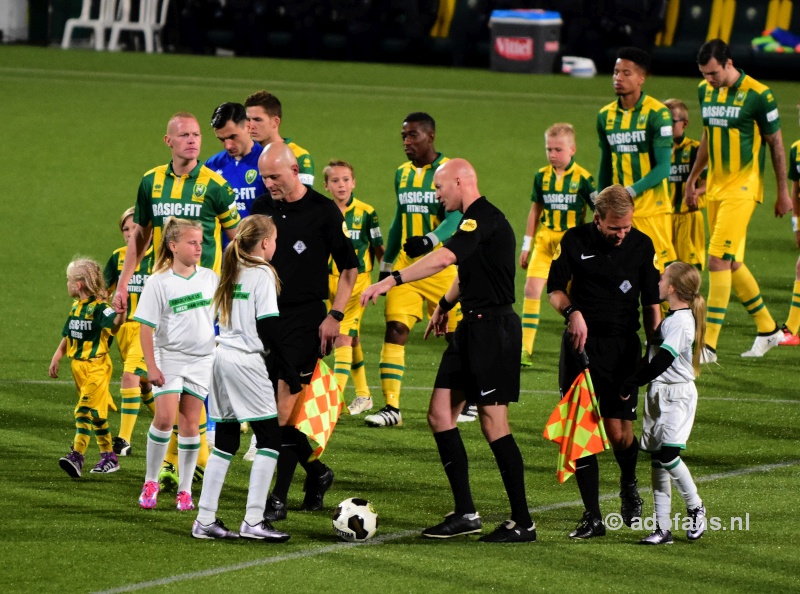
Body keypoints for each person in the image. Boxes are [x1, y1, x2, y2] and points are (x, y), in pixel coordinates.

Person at [361, 158, 537, 542]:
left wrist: (391, 280)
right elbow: (466, 271)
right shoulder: (470, 223)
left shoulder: (481, 218)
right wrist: (444, 303)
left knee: (494, 425)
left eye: (440, 188)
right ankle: (465, 513)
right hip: (470, 328)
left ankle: (523, 521)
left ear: (460, 182)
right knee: (440, 414)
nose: (437, 196)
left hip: (492, 330)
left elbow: (445, 258)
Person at [112, 112, 241, 493]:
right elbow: (140, 237)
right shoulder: (150, 181)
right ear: (168, 141)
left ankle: (183, 464)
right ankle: (175, 465)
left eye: (197, 135)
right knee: (161, 380)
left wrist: (239, 286)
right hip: (162, 293)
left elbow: (235, 239)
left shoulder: (214, 186)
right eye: (184, 135)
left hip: (203, 300)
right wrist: (123, 283)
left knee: (192, 387)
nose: (192, 140)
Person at [250, 142, 358, 521]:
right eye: (264, 177)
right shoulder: (261, 207)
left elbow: (349, 268)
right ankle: (318, 473)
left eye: (275, 177)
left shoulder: (322, 211)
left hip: (305, 319)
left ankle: (275, 498)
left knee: (282, 409)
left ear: (294, 170)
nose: (269, 184)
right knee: (262, 412)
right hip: (264, 316)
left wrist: (336, 315)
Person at [548, 185, 661, 539]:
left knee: (617, 433)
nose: (621, 234)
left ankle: (629, 483)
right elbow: (554, 289)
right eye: (615, 228)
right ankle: (593, 516)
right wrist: (572, 312)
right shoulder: (574, 240)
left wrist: (654, 349)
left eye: (626, 227)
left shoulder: (642, 245)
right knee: (580, 429)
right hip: (581, 347)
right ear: (597, 220)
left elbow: (651, 303)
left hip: (623, 349)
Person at [685, 39, 792, 360]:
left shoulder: (760, 94)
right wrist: (693, 177)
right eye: (704, 74)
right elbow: (708, 134)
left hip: (743, 189)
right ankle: (769, 329)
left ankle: (708, 345)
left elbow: (775, 143)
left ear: (729, 63)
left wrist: (783, 191)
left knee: (716, 259)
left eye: (714, 73)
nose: (709, 79)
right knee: (731, 263)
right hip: (715, 189)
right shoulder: (705, 91)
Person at [192, 215, 291, 542]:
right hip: (247, 363)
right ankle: (253, 520)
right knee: (270, 439)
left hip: (220, 360)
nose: (275, 245)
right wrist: (289, 368)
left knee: (226, 443)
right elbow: (269, 326)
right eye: (274, 239)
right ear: (264, 243)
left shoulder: (230, 271)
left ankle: (205, 519)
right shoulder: (262, 273)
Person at [366, 112, 465, 428]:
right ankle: (392, 407)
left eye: (413, 136)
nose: (407, 142)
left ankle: (469, 397)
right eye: (404, 136)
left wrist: (431, 239)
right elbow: (398, 220)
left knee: (458, 337)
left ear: (430, 136)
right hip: (406, 270)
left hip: (441, 266)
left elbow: (457, 216)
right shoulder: (402, 174)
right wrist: (385, 264)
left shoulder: (448, 171)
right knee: (395, 329)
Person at [133, 217, 219, 511]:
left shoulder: (210, 278)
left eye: (201, 242)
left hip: (201, 360)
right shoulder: (159, 282)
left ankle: (184, 489)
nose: (199, 247)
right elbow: (145, 328)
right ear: (173, 246)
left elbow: (222, 316)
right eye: (192, 242)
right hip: (169, 357)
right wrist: (152, 366)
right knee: (165, 419)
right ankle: (150, 480)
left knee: (190, 424)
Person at [619, 262, 707, 545]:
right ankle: (662, 528)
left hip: (677, 396)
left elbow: (663, 360)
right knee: (658, 461)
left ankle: (696, 507)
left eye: (662, 278)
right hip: (659, 394)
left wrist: (634, 382)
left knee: (669, 455)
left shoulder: (681, 322)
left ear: (671, 288)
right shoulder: (672, 319)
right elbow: (652, 356)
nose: (657, 282)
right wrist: (630, 379)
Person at [519, 123, 595, 368]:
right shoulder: (541, 176)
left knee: (572, 297)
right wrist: (526, 245)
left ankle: (583, 340)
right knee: (531, 290)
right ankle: (524, 349)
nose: (552, 154)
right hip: (544, 242)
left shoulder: (583, 178)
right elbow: (535, 209)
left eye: (558, 149)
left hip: (570, 245)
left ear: (572, 149)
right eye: (549, 149)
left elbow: (598, 211)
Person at [597, 47, 675, 272]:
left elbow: (663, 167)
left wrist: (629, 191)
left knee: (663, 275)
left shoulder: (658, 114)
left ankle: (682, 309)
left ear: (642, 78)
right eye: (615, 72)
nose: (618, 78)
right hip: (620, 212)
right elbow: (605, 163)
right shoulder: (605, 116)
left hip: (652, 209)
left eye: (626, 73)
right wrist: (602, 202)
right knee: (620, 271)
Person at [50, 258, 125, 477]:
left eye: (68, 280)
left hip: (96, 368)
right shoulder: (76, 307)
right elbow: (69, 335)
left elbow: (115, 324)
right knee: (96, 415)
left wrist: (120, 313)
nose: (67, 284)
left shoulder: (101, 308)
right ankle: (109, 458)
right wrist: (57, 355)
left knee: (82, 411)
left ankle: (77, 456)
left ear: (79, 284)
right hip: (79, 369)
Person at [323, 160, 385, 414]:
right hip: (328, 283)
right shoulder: (323, 212)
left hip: (357, 282)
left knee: (342, 337)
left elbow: (379, 248)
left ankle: (332, 403)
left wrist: (386, 280)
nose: (342, 185)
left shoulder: (367, 212)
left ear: (354, 182)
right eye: (335, 181)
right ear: (326, 186)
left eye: (346, 179)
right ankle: (363, 394)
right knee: (353, 337)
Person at [103, 207, 155, 457]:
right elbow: (102, 294)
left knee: (130, 376)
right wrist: (105, 321)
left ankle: (123, 439)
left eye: (136, 227)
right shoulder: (118, 257)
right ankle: (175, 426)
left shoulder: (162, 257)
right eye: (126, 229)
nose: (131, 232)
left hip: (148, 329)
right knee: (143, 384)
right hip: (123, 329)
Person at [205, 101, 267, 234]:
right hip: (222, 251)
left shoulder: (266, 161)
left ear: (248, 127)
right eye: (222, 139)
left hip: (255, 250)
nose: (228, 145)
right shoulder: (211, 166)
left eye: (233, 137)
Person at [664, 98, 707, 270]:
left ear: (684, 124)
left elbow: (709, 181)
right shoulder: (656, 150)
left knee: (688, 270)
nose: (666, 126)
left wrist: (698, 192)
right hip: (662, 217)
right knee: (664, 268)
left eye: (671, 122)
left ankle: (693, 298)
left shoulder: (696, 150)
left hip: (688, 217)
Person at [244, 90, 314, 187]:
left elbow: (304, 200)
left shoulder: (299, 156)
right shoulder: (244, 155)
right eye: (248, 120)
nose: (250, 126)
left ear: (275, 122)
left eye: (257, 120)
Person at [778, 127, 800, 346]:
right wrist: (797, 223)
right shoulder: (797, 149)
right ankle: (792, 330)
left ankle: (792, 329)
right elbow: (796, 189)